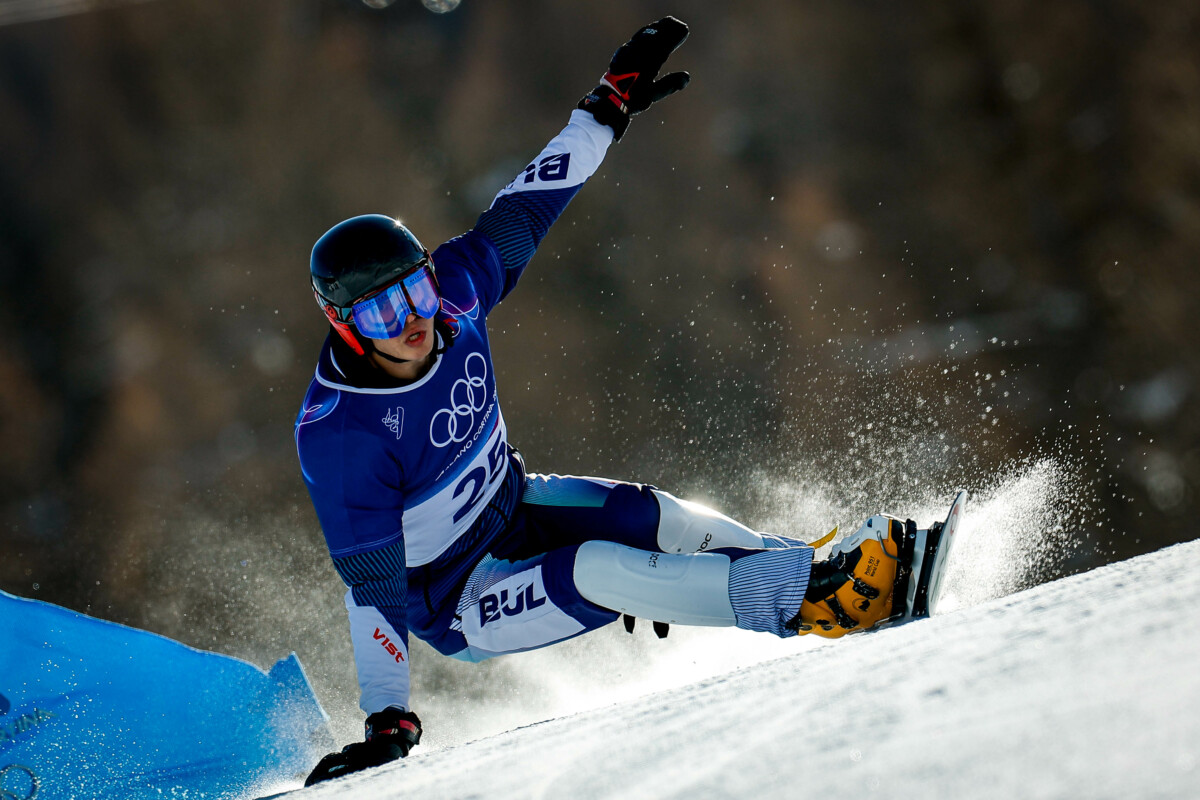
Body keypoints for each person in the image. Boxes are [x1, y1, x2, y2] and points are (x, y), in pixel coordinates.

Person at [296, 17, 917, 785]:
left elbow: (528, 206)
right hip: (460, 598)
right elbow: (375, 588)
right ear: (344, 325)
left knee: (659, 518)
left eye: (416, 289)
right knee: (596, 566)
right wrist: (387, 716)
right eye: (385, 314)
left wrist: (602, 112)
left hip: (515, 509)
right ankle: (812, 602)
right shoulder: (343, 434)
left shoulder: (454, 298)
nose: (415, 320)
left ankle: (822, 568)